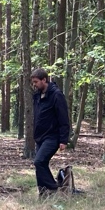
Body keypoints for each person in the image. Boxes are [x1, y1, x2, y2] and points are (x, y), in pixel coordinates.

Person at [30, 68, 71, 198]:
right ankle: (43, 193)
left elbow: (63, 118)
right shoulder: (37, 95)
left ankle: (53, 188)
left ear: (44, 80)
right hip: (40, 137)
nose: (34, 85)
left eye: (36, 82)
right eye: (33, 82)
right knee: (40, 165)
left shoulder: (56, 95)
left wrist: (63, 140)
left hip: (53, 136)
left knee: (39, 161)